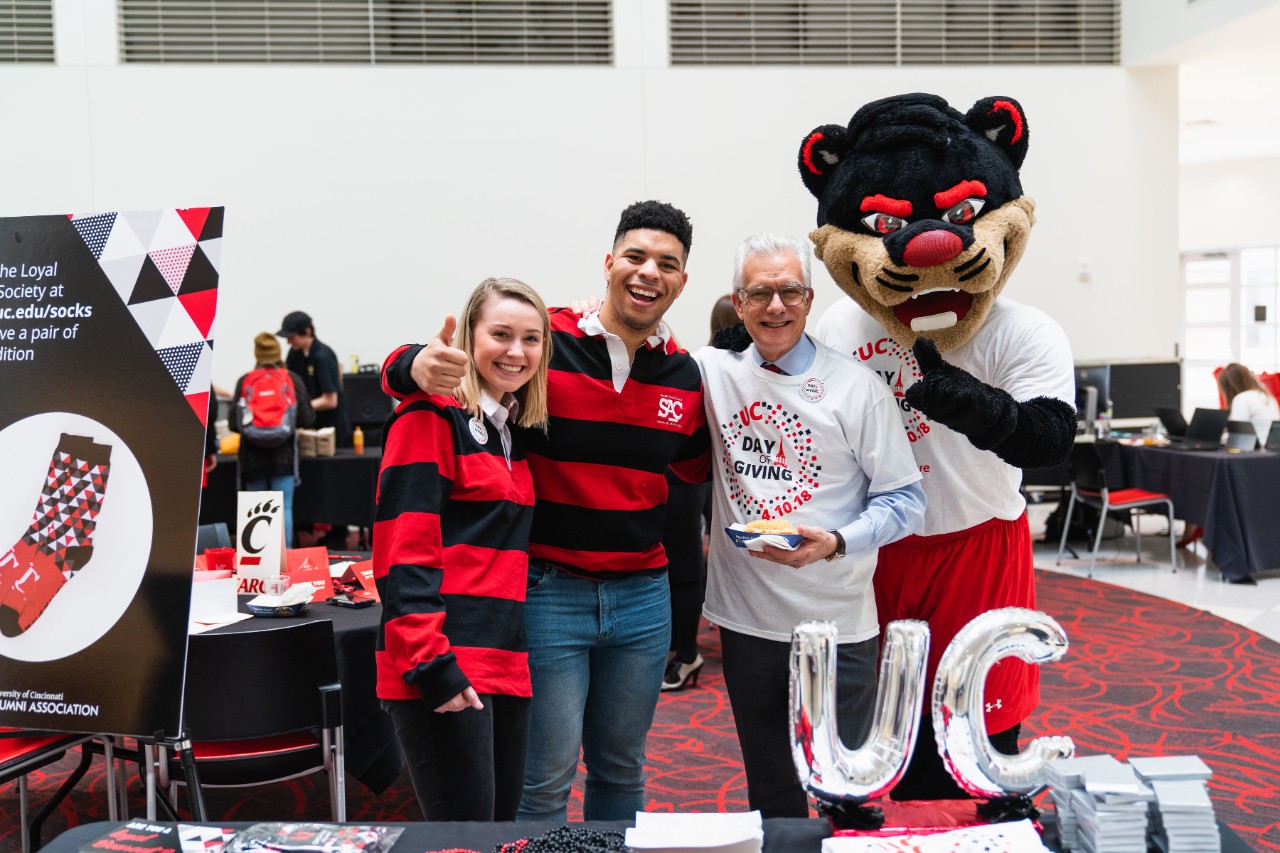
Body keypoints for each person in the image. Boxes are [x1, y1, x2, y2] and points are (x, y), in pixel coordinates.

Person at [381, 200, 710, 822]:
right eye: (635, 257)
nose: (649, 273)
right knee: (544, 777)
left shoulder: (685, 375)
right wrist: (407, 365)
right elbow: (457, 364)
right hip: (547, 593)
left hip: (643, 599)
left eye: (667, 264)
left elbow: (699, 464)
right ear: (609, 263)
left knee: (622, 767)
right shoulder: (547, 339)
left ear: (682, 282)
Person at [697, 234, 925, 817]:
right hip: (748, 622)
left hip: (839, 620)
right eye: (761, 293)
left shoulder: (857, 388)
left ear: (808, 297)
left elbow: (906, 501)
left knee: (848, 789)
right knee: (771, 792)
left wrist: (837, 542)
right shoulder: (710, 373)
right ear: (738, 302)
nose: (776, 306)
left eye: (789, 291)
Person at [374, 277, 551, 822]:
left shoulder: (508, 431)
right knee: (463, 838)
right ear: (469, 339)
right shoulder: (430, 416)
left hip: (504, 658)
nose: (516, 352)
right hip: (447, 661)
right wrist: (432, 664)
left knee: (495, 832)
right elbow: (402, 551)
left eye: (531, 338)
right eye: (500, 334)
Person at [661, 293, 737, 692]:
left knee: (685, 559)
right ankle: (684, 650)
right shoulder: (708, 366)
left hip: (687, 474)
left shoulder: (702, 365)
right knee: (691, 558)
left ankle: (685, 652)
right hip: (707, 474)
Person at [230, 333, 315, 548]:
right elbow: (307, 417)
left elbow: (233, 423)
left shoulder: (245, 380)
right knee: (284, 506)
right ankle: (283, 561)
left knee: (257, 509)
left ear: (257, 354)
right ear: (278, 354)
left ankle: (258, 559)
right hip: (284, 455)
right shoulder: (292, 379)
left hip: (252, 457)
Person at [278, 310, 352, 446]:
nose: (288, 342)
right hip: (309, 425)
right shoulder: (294, 354)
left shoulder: (323, 357)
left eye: (292, 337)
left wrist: (299, 407)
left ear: (307, 332)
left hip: (331, 430)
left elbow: (330, 400)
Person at [1219, 362, 1278, 443]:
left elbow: (1237, 434)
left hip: (1255, 449)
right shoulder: (1267, 396)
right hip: (1272, 449)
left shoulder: (1241, 399)